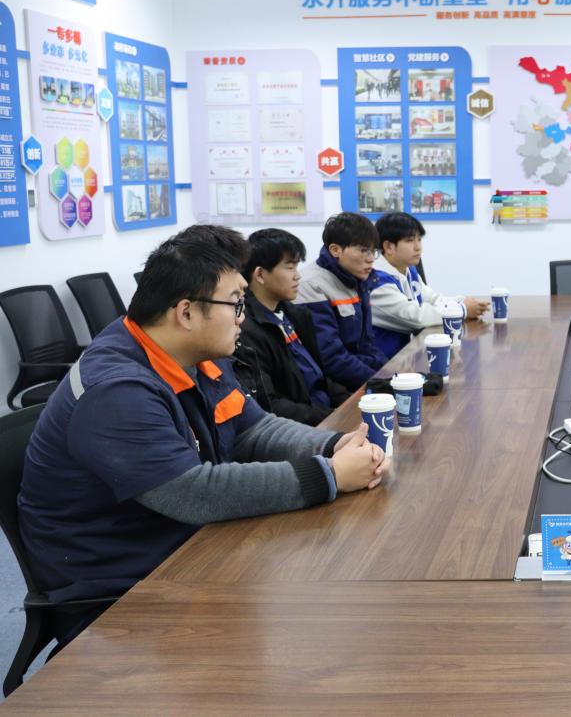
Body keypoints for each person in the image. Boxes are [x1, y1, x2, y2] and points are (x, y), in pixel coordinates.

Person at [18, 225, 390, 643]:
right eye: (236, 303)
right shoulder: (116, 390)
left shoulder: (194, 355)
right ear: (186, 313)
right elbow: (194, 493)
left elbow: (253, 429)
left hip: (185, 544)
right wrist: (331, 475)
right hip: (121, 588)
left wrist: (333, 444)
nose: (243, 317)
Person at [237, 228, 351, 425]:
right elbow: (270, 404)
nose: (298, 276)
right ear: (260, 275)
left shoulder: (295, 315)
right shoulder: (246, 330)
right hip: (302, 426)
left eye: (297, 267)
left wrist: (350, 403)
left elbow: (320, 377)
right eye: (290, 268)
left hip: (322, 413)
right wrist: (329, 415)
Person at [367, 212, 490, 358]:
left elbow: (433, 298)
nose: (418, 247)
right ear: (388, 246)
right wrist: (462, 310)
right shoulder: (376, 281)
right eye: (410, 240)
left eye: (419, 239)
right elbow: (417, 317)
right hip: (385, 363)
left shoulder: (407, 270)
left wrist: (461, 302)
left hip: (407, 356)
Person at [295, 212, 388, 388]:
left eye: (373, 251)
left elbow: (367, 344)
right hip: (333, 386)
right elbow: (331, 359)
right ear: (335, 250)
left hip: (357, 376)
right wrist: (382, 383)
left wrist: (390, 372)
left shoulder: (357, 278)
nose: (370, 259)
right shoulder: (311, 285)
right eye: (363, 250)